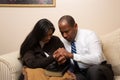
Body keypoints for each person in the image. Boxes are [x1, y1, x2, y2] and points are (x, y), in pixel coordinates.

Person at [54, 15, 114, 80]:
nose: (64, 35)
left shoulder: (90, 35)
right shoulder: (62, 41)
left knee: (94, 71)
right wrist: (60, 60)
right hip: (80, 73)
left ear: (75, 26)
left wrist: (72, 55)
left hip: (99, 69)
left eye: (67, 31)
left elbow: (98, 59)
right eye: (61, 32)